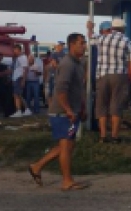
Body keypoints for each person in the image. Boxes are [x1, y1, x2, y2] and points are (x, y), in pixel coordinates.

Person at [28, 33, 89, 191]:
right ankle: (67, 181)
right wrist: (68, 110)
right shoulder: (67, 64)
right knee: (66, 146)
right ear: (72, 45)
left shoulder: (79, 64)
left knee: (68, 145)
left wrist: (82, 108)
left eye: (84, 43)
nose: (84, 46)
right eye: (81, 43)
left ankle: (37, 166)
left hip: (72, 111)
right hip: (62, 113)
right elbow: (61, 90)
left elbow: (79, 89)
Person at [86, 18, 131, 143]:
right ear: (123, 29)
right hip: (119, 75)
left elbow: (90, 38)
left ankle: (103, 136)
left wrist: (90, 28)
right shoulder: (126, 40)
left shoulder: (102, 38)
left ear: (111, 28)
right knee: (117, 105)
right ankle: (114, 136)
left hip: (102, 75)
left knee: (102, 105)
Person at [10, 44, 32, 117]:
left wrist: (23, 80)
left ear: (19, 50)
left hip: (19, 78)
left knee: (17, 95)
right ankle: (26, 109)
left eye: (15, 50)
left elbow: (25, 69)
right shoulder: (18, 58)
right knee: (18, 95)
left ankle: (19, 110)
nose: (14, 51)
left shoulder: (22, 58)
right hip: (16, 78)